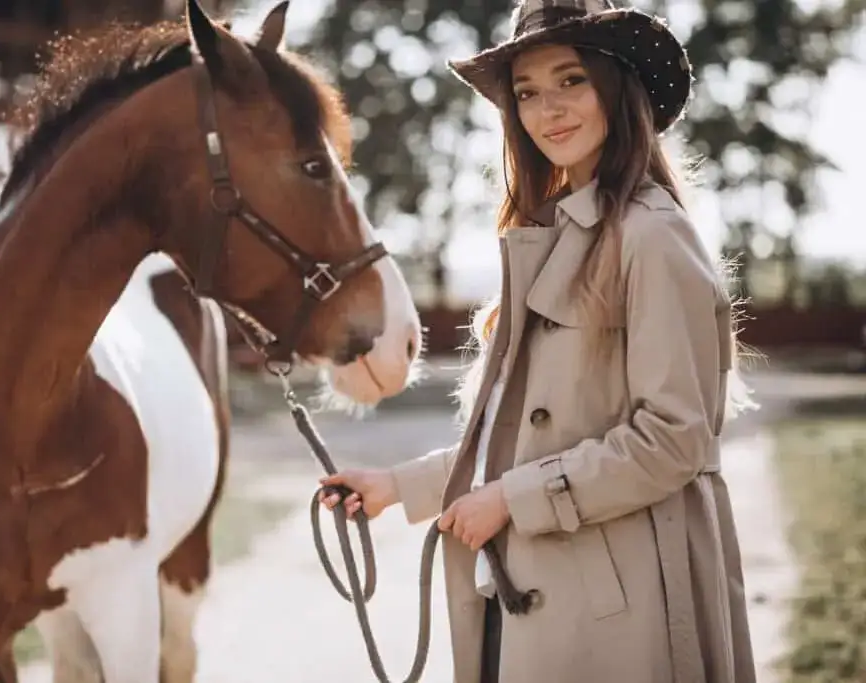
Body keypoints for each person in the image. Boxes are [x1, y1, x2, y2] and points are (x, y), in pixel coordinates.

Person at [319, 0, 760, 681]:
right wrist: (393, 486)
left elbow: (676, 436)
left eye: (570, 80)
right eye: (527, 92)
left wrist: (512, 500)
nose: (547, 108)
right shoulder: (553, 235)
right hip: (536, 596)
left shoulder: (652, 235)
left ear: (617, 86)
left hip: (623, 609)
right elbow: (524, 438)